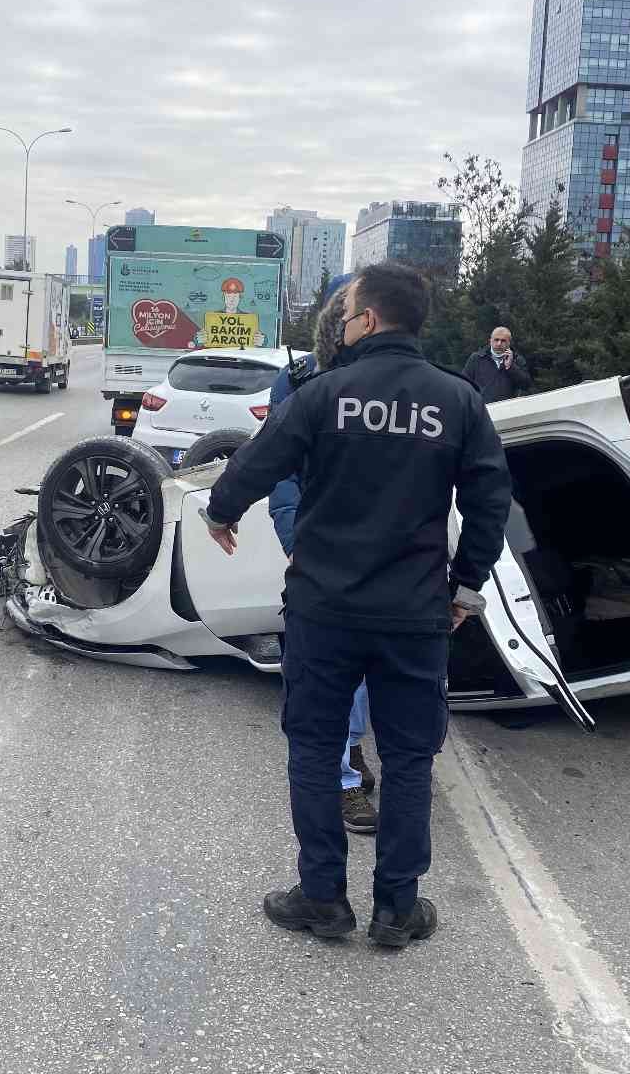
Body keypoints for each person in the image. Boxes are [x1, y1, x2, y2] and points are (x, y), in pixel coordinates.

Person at [201, 262, 511, 948]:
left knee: (313, 749)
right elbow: (491, 498)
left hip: (324, 609)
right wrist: (466, 584)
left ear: (368, 319)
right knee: (406, 758)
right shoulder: (456, 401)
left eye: (347, 314)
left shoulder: (323, 393)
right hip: (415, 614)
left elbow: (258, 460)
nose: (342, 325)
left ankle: (322, 899)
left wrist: (221, 512)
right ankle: (397, 909)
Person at [266, 275, 378, 836]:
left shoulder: (390, 380)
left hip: (379, 551)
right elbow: (279, 468)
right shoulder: (300, 380)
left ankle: (349, 756)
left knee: (357, 671)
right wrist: (293, 537)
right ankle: (341, 780)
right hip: (319, 549)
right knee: (328, 671)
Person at [463, 326, 531, 403]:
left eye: (503, 341)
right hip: (483, 409)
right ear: (490, 340)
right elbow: (464, 384)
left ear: (509, 343)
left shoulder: (517, 360)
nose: (499, 344)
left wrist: (510, 366)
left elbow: (526, 385)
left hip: (509, 410)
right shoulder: (476, 358)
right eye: (496, 340)